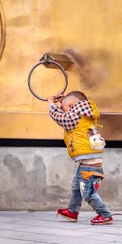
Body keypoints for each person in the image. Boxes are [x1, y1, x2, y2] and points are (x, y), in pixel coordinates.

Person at [48, 91, 113, 225]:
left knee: (88, 192)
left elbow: (61, 118)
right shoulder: (83, 114)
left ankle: (105, 214)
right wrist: (63, 102)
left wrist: (51, 104)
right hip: (87, 161)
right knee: (77, 187)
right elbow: (69, 113)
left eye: (64, 107)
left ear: (71, 106)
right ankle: (72, 211)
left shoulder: (74, 118)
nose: (63, 110)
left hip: (88, 163)